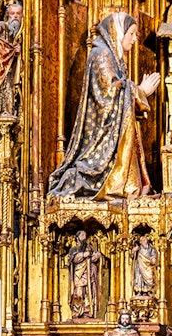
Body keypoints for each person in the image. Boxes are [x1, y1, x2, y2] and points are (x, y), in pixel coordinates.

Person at [48, 12, 160, 199]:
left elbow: (119, 91)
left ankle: (126, 187)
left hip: (111, 128)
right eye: (131, 33)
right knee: (86, 172)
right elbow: (109, 93)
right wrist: (140, 91)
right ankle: (112, 185)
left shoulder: (112, 56)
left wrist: (136, 94)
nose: (133, 40)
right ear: (118, 31)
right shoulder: (101, 54)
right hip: (101, 135)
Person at [66, 230, 102, 319]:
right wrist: (83, 255)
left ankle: (87, 312)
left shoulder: (90, 248)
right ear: (77, 237)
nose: (84, 237)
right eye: (82, 235)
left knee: (88, 293)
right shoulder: (74, 249)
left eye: (85, 235)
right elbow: (72, 259)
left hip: (89, 274)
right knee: (78, 293)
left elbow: (94, 258)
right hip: (79, 273)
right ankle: (76, 312)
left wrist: (97, 255)